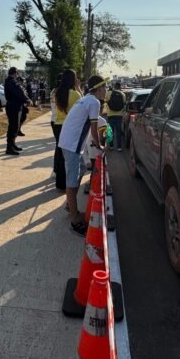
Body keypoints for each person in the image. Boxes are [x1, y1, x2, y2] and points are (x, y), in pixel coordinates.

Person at [58, 75, 109, 236]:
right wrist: (100, 145)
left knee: (80, 168)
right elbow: (94, 130)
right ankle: (75, 221)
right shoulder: (94, 101)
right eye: (105, 87)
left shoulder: (86, 98)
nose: (106, 90)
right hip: (72, 145)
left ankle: (69, 204)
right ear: (99, 88)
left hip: (70, 142)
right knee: (72, 182)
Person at [51, 69, 82, 192]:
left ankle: (60, 182)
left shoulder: (57, 92)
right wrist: (78, 88)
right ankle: (65, 184)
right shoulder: (75, 94)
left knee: (59, 153)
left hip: (57, 125)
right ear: (73, 80)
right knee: (67, 156)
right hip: (69, 127)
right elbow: (83, 105)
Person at [4, 66, 29, 155]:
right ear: (14, 73)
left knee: (15, 127)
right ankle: (9, 147)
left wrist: (26, 99)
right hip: (13, 106)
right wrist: (27, 100)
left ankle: (12, 144)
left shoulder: (12, 81)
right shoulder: (10, 82)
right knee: (13, 127)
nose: (17, 75)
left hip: (16, 106)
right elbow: (18, 92)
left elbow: (20, 91)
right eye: (17, 73)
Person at [105, 81, 126, 152]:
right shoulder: (122, 94)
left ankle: (111, 146)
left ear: (114, 86)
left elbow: (106, 101)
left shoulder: (109, 93)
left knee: (110, 131)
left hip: (110, 115)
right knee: (118, 132)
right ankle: (119, 147)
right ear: (120, 87)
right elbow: (124, 104)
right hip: (119, 115)